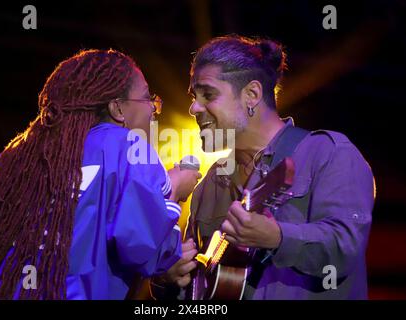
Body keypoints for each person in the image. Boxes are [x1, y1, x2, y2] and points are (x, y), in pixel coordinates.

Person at [0, 49, 201, 299]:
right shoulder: (129, 147)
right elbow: (143, 248)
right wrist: (172, 191)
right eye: (148, 97)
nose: (153, 109)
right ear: (117, 108)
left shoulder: (17, 157)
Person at [150, 35, 375, 299]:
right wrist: (169, 279)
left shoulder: (328, 152)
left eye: (207, 94)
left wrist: (279, 238)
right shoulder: (207, 187)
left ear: (252, 95)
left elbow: (345, 248)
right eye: (194, 96)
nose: (193, 107)